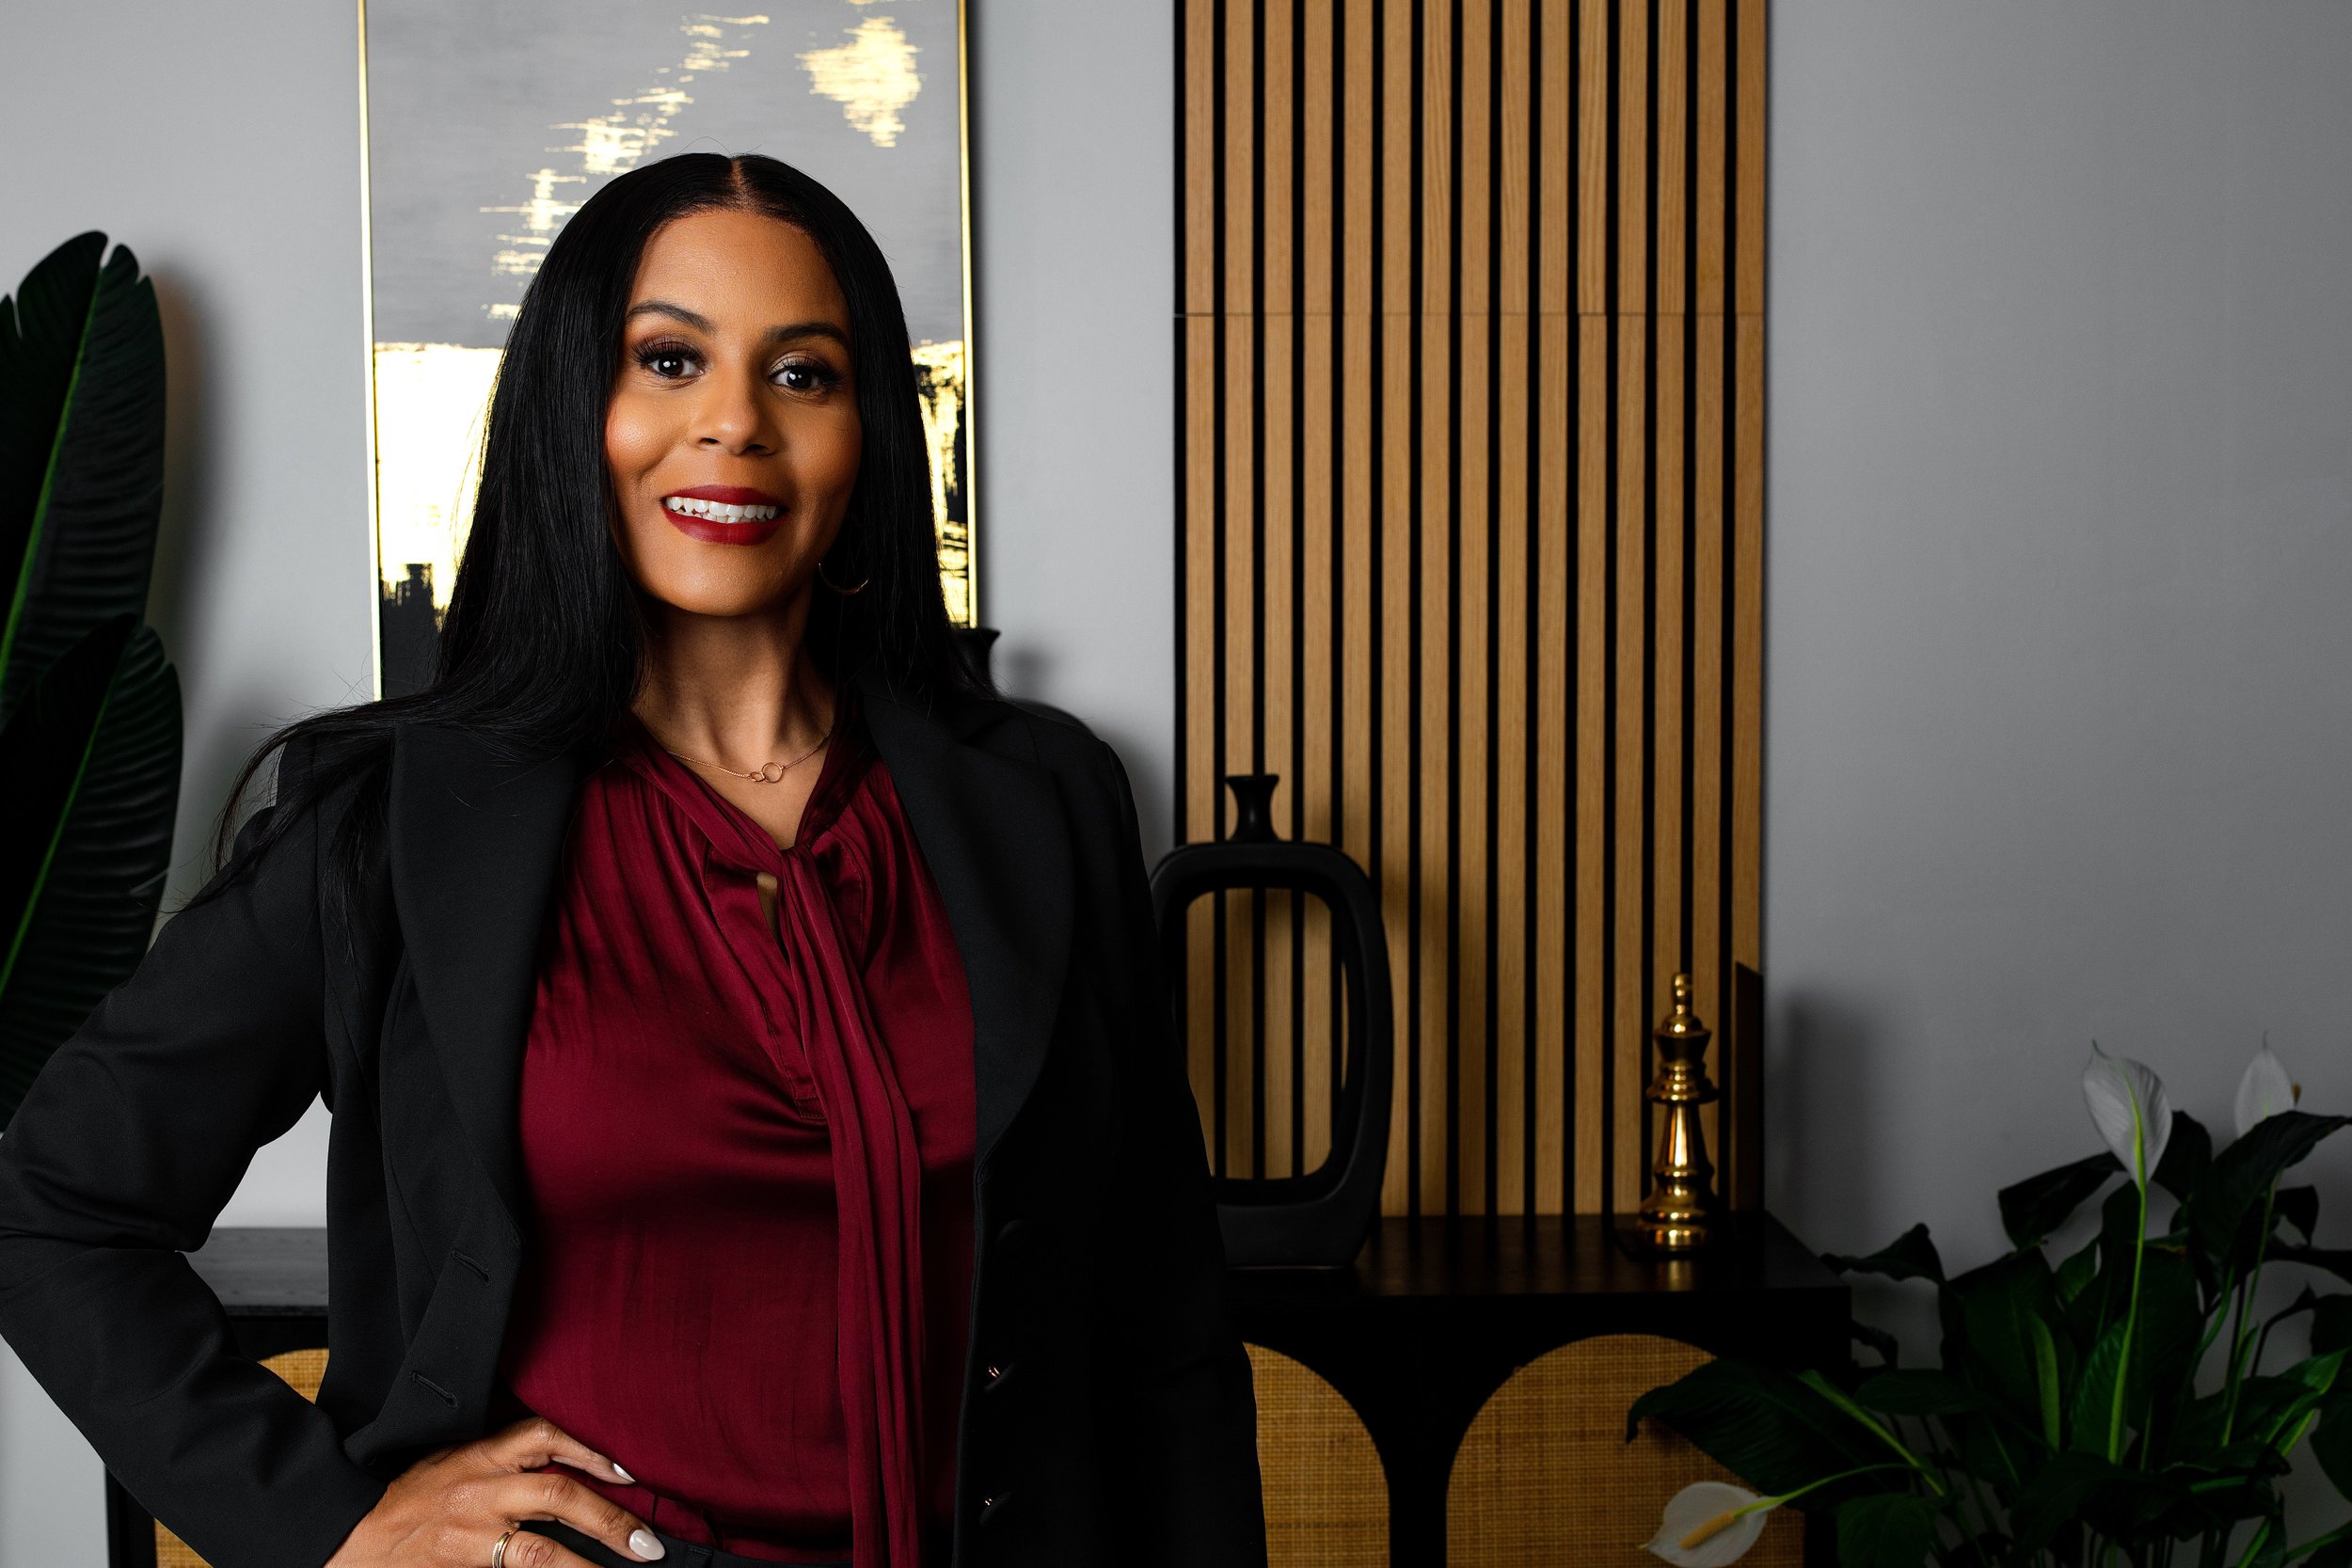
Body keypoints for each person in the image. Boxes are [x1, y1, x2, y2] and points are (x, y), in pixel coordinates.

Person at [0, 153, 1266, 1568]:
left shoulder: (1043, 801)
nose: (733, 423)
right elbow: (50, 1204)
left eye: (804, 375)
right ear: (572, 409)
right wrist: (332, 1529)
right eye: (668, 360)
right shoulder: (393, 817)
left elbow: (1167, 1333)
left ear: (871, 440)